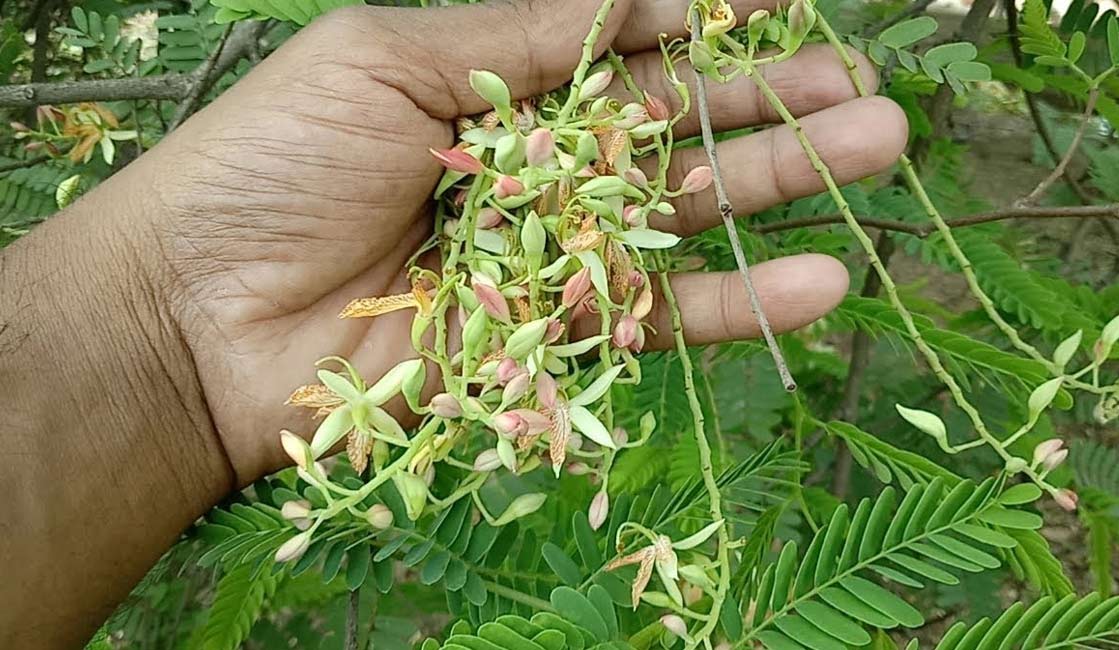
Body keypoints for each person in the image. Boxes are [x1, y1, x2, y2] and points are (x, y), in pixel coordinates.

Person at [0, 0, 907, 646]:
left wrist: (163, 341)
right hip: (537, 239)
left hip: (561, 222)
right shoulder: (504, 273)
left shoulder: (566, 233)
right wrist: (164, 322)